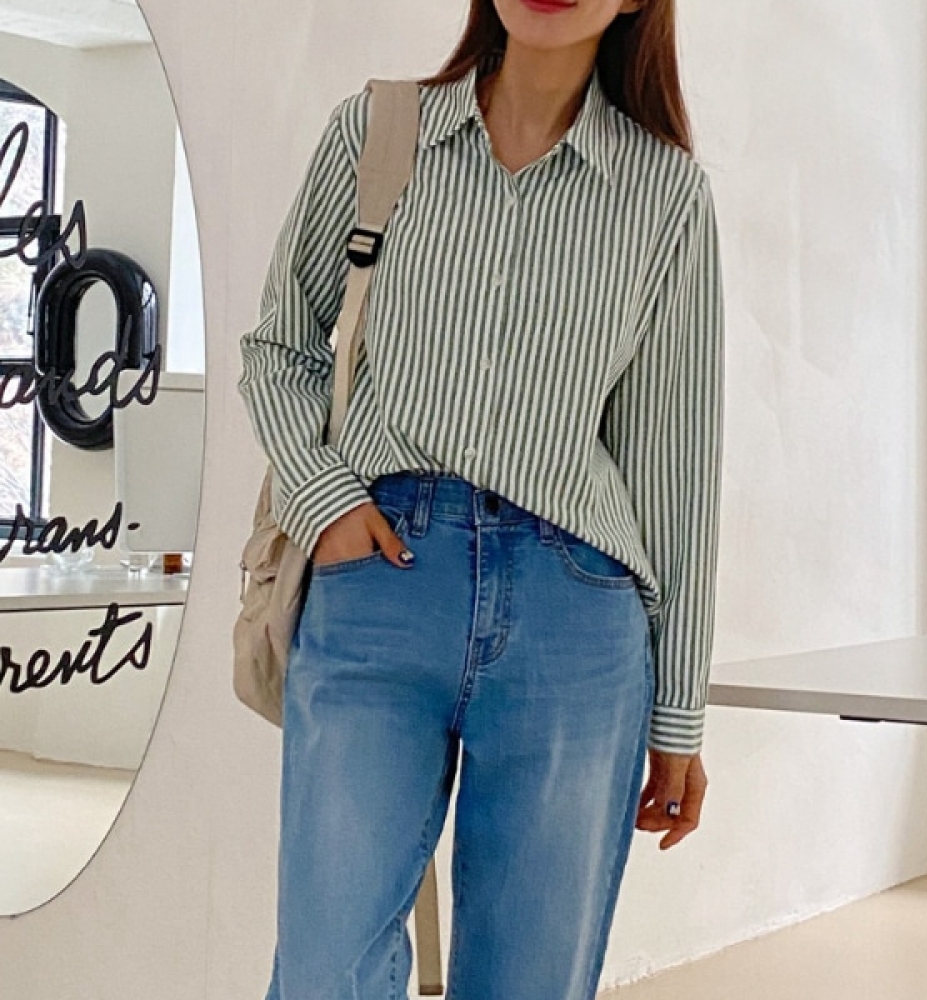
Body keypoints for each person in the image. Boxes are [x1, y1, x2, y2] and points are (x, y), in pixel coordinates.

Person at [238, 0, 724, 996]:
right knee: (325, 969)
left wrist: (678, 712)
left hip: (572, 612)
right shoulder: (380, 133)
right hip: (380, 584)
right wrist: (327, 503)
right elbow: (280, 344)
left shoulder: (666, 193)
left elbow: (675, 466)